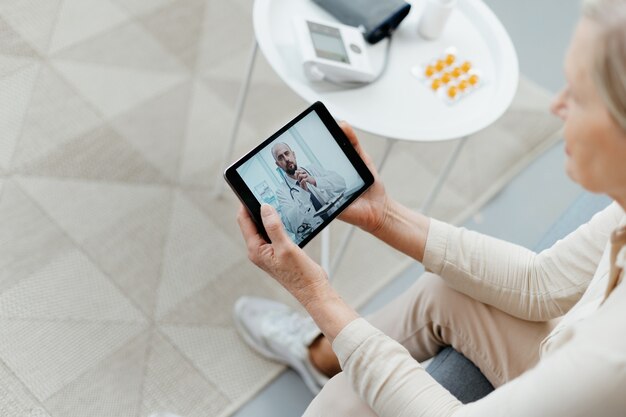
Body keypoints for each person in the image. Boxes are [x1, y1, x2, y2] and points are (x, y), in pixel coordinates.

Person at [234, 0, 626, 415]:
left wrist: (314, 293)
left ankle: (327, 353)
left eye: (579, 96)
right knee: (442, 290)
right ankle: (320, 355)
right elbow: (540, 282)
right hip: (567, 343)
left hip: (580, 375)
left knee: (338, 403)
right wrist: (386, 216)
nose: (555, 105)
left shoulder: (614, 355)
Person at [271, 142, 346, 241]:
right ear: (278, 164)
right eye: (280, 157)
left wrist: (314, 181)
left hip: (337, 223)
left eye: (287, 153)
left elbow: (341, 183)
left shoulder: (313, 168)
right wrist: (303, 192)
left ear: (293, 154)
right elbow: (292, 224)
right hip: (316, 237)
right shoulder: (281, 192)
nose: (286, 159)